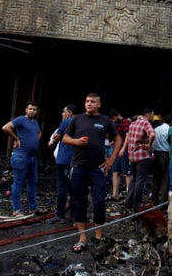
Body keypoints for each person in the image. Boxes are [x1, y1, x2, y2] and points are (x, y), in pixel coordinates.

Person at [63, 93, 121, 252]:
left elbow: (118, 139)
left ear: (99, 104)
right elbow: (64, 138)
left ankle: (98, 238)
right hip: (79, 167)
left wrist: (111, 158)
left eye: (92, 102)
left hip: (98, 168)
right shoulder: (77, 119)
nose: (89, 104)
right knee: (79, 202)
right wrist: (76, 141)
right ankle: (82, 238)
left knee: (99, 202)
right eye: (87, 101)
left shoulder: (105, 121)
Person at [2, 101, 42, 216]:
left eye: (34, 109)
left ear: (37, 111)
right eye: (30, 109)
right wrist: (15, 138)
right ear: (26, 110)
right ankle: (16, 210)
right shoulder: (21, 119)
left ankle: (33, 208)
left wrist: (34, 141)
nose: (32, 111)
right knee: (18, 183)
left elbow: (39, 133)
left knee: (33, 183)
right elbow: (6, 127)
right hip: (21, 155)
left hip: (32, 157)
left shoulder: (35, 122)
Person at [47, 104, 76, 223]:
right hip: (75, 159)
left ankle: (60, 215)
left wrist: (52, 139)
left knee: (62, 187)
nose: (62, 114)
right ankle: (73, 214)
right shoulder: (81, 122)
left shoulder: (66, 122)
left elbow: (56, 137)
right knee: (74, 187)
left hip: (63, 159)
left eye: (64, 112)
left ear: (69, 113)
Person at [124, 108, 155, 211]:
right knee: (140, 180)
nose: (153, 117)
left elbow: (128, 138)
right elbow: (152, 134)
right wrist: (149, 144)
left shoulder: (133, 124)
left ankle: (128, 202)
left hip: (132, 156)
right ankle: (136, 206)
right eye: (152, 114)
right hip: (142, 156)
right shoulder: (146, 123)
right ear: (149, 114)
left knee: (134, 179)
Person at [109, 110, 131, 201]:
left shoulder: (125, 122)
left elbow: (128, 135)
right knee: (115, 171)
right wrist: (113, 142)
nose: (113, 121)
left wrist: (123, 148)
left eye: (114, 118)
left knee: (126, 173)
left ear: (118, 115)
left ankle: (129, 194)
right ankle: (115, 194)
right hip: (117, 150)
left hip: (124, 150)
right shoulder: (116, 125)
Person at [152, 113, 172, 204]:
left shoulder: (156, 129)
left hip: (156, 154)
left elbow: (152, 142)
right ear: (171, 121)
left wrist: (152, 152)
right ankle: (163, 201)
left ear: (163, 120)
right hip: (165, 154)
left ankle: (154, 199)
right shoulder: (169, 130)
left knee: (156, 178)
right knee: (165, 178)